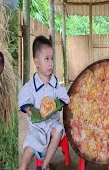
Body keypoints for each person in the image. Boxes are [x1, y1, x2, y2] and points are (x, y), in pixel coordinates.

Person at [18, 35, 70, 170]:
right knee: (31, 144)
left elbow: (63, 95)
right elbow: (24, 100)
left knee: (59, 131)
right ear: (37, 62)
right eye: (46, 59)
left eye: (52, 58)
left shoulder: (54, 83)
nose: (51, 63)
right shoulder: (30, 86)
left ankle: (44, 166)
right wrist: (29, 110)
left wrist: (59, 102)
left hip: (51, 122)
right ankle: (22, 167)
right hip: (37, 125)